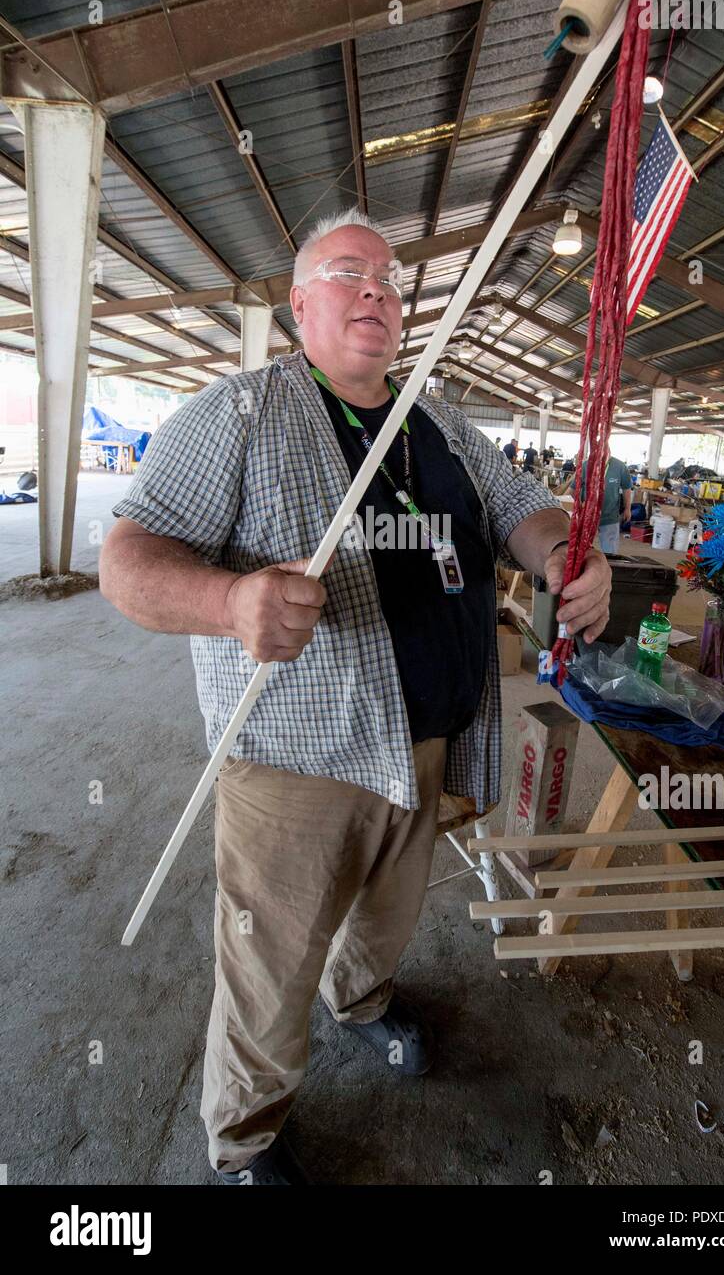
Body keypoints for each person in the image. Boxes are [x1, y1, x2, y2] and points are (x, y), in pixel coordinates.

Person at [100, 208, 611, 1186]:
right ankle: (243, 1134)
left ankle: (365, 1003)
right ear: (299, 306)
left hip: (425, 736)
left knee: (385, 911)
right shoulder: (237, 411)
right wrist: (230, 597)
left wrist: (559, 555)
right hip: (296, 758)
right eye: (347, 273)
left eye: (387, 278)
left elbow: (516, 505)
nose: (375, 289)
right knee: (268, 962)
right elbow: (126, 561)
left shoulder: (438, 416)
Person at [572, 448, 633, 555]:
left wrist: (628, 509)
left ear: (609, 453)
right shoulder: (586, 466)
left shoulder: (620, 467)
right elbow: (572, 489)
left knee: (610, 552)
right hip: (587, 517)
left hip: (610, 516)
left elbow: (626, 489)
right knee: (581, 550)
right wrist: (579, 505)